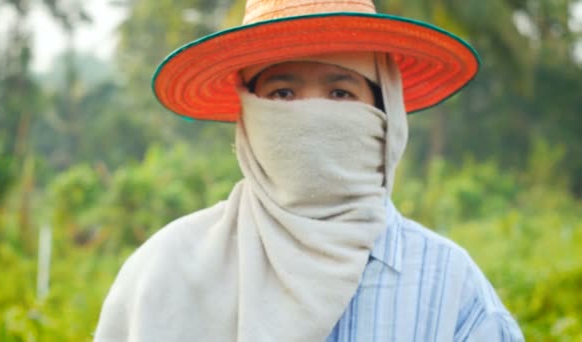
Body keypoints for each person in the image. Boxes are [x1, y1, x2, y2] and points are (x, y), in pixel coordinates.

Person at [94, 0, 524, 341]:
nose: (311, 115)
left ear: (385, 111)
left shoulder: (447, 286)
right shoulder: (165, 270)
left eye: (340, 92)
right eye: (282, 93)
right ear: (248, 116)